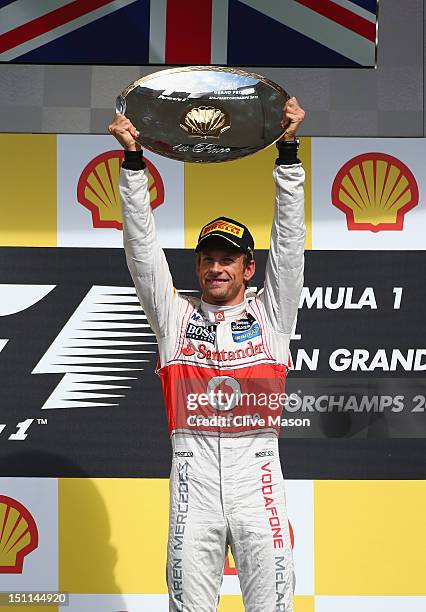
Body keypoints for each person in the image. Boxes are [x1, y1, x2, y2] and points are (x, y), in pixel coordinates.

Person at [109, 97, 305, 612]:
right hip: (191, 482)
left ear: (247, 269)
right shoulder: (174, 319)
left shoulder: (272, 315)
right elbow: (142, 253)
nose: (216, 267)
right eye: (207, 259)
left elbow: (289, 246)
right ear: (198, 267)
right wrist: (133, 165)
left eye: (228, 259)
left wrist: (288, 153)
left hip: (258, 480)